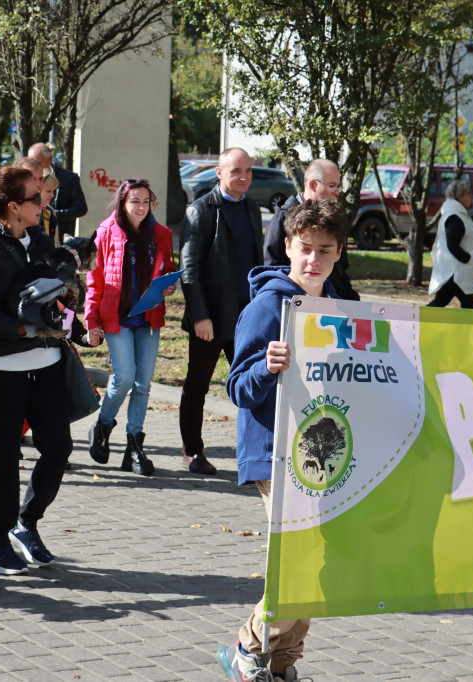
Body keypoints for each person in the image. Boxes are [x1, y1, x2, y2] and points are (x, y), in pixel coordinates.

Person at [218, 199, 350, 681]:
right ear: (289, 247)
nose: (312, 259)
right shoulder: (267, 306)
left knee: (316, 561)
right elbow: (237, 387)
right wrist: (266, 368)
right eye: (304, 248)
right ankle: (248, 647)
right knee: (303, 556)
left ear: (339, 254)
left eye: (324, 250)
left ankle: (282, 664)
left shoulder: (336, 309)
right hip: (275, 453)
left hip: (325, 455)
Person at [0, 165, 90, 575]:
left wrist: (69, 295)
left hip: (48, 361)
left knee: (58, 448)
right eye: (36, 197)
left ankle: (25, 523)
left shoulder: (37, 235)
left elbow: (53, 282)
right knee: (3, 456)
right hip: (2, 365)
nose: (44, 201)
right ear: (13, 206)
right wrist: (21, 326)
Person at [178, 147, 264, 476]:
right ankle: (192, 450)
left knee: (254, 385)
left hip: (247, 317)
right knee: (197, 384)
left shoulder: (252, 210)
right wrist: (200, 315)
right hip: (211, 319)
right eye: (235, 171)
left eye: (248, 171)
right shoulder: (200, 211)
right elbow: (189, 269)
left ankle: (257, 450)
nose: (243, 177)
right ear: (219, 172)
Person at [85, 178, 176, 476]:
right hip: (116, 317)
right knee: (124, 378)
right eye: (134, 201)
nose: (141, 207)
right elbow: (94, 279)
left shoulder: (161, 234)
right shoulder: (106, 232)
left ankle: (134, 447)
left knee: (143, 384)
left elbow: (168, 270)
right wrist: (91, 321)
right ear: (123, 202)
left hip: (148, 317)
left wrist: (168, 287)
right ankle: (103, 424)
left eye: (146, 201)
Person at [263, 159, 358, 300]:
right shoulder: (283, 217)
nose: (337, 192)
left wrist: (351, 303)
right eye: (332, 186)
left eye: (338, 186)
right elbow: (272, 267)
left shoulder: (333, 219)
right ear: (313, 185)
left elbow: (340, 271)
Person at [427, 179, 473, 309]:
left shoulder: (458, 215)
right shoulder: (455, 217)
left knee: (440, 302)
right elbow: (452, 245)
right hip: (457, 272)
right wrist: (467, 258)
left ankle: (416, 322)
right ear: (460, 197)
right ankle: (415, 322)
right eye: (467, 193)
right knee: (467, 306)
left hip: (457, 272)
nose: (470, 196)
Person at [27, 142, 87, 241]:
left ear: (50, 160)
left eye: (38, 163)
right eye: (31, 162)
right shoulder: (25, 180)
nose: (34, 167)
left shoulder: (69, 178)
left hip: (61, 237)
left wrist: (54, 214)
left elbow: (81, 208)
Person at [39, 167, 59, 242]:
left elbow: (55, 242)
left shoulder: (50, 210)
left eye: (53, 191)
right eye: (48, 191)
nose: (52, 195)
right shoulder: (26, 211)